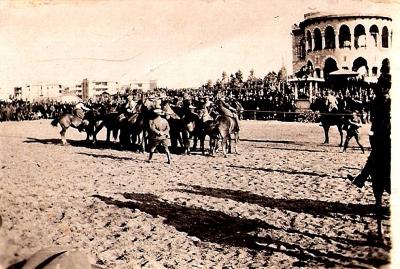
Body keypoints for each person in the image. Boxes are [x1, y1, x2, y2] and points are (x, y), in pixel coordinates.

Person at [347, 59, 391, 188]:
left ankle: (362, 178)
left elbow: (371, 106)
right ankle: (362, 178)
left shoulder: (384, 96)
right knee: (375, 157)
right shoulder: (384, 92)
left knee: (375, 157)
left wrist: (356, 102)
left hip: (384, 132)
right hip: (382, 131)